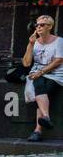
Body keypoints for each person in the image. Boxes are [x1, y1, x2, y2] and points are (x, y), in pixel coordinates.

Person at [22, 15, 63, 143]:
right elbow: (26, 63)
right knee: (39, 85)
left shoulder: (59, 41)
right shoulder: (34, 42)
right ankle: (45, 119)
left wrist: (41, 72)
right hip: (37, 74)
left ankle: (38, 130)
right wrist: (30, 44)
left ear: (50, 26)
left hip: (56, 74)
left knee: (44, 88)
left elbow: (58, 61)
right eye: (37, 25)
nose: (38, 27)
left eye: (42, 24)